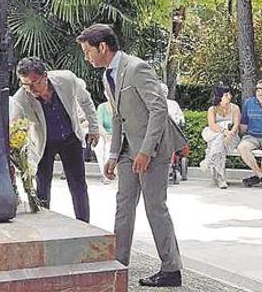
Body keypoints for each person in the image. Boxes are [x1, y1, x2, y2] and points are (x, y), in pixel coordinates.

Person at [77, 24, 181, 287]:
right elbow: (117, 115)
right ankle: (119, 262)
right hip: (126, 149)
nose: (86, 57)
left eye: (88, 51)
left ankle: (171, 269)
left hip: (152, 148)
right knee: (124, 205)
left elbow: (158, 110)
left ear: (102, 47)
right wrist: (113, 154)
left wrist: (146, 151)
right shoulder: (106, 76)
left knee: (155, 207)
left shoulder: (137, 68)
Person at [11, 57, 99, 223]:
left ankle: (83, 223)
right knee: (42, 185)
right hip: (44, 143)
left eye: (34, 83)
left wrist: (94, 128)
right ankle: (44, 223)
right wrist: (18, 158)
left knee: (78, 184)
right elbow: (16, 128)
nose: (30, 89)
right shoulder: (21, 98)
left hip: (70, 137)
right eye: (25, 84)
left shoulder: (67, 80)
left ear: (45, 76)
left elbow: (85, 101)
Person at [200, 85, 241, 189]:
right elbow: (212, 125)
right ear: (220, 96)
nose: (229, 96)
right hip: (218, 135)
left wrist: (229, 134)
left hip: (232, 137)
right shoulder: (212, 109)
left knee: (216, 144)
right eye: (226, 94)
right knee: (220, 145)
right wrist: (224, 132)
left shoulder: (235, 108)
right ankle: (221, 178)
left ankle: (210, 162)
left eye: (229, 94)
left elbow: (236, 125)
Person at [95, 98, 114, 184]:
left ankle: (109, 173)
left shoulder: (121, 106)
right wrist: (105, 135)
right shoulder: (101, 107)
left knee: (108, 147)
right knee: (99, 145)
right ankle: (104, 174)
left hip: (117, 135)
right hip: (105, 134)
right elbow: (99, 124)